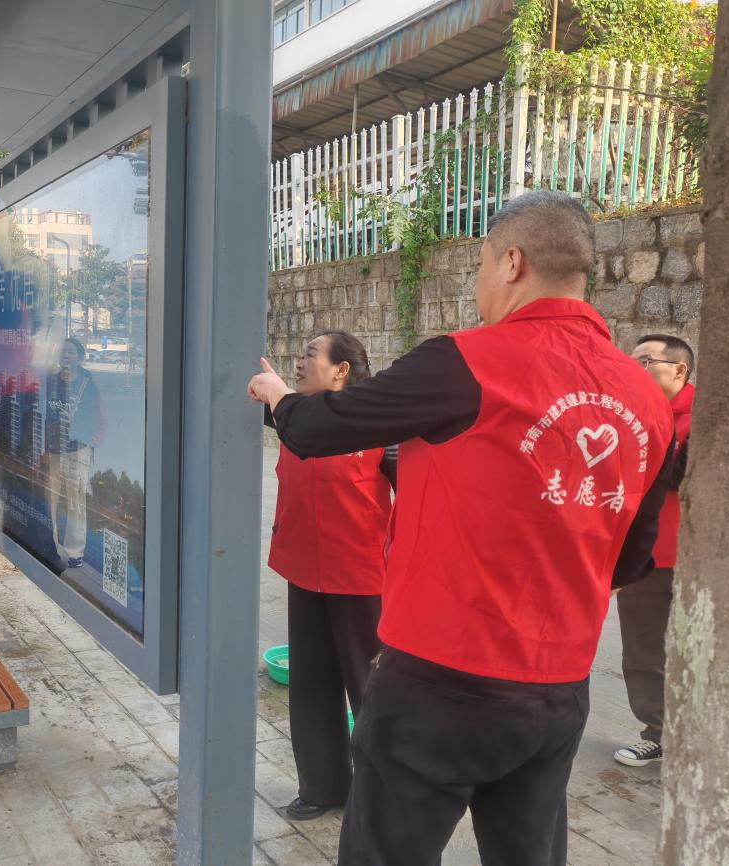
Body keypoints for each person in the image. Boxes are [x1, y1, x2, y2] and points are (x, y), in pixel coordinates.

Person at [248, 190, 675, 866]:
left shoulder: (465, 360)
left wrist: (279, 398)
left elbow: (325, 425)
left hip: (439, 684)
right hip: (557, 691)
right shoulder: (644, 396)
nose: (476, 286)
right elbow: (629, 560)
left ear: (511, 263)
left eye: (478, 265)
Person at [265, 331, 395, 822]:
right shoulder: (291, 416)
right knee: (311, 684)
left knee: (371, 690)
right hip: (304, 571)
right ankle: (323, 787)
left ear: (341, 370)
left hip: (361, 578)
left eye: (310, 354)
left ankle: (382, 799)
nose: (299, 362)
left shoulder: (379, 424)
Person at [614, 334, 695, 768]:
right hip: (646, 555)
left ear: (679, 370)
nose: (635, 369)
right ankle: (657, 733)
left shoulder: (705, 416)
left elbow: (677, 477)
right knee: (643, 650)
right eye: (630, 361)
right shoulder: (631, 415)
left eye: (645, 361)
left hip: (693, 557)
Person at [45, 337, 107, 569]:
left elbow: (99, 414)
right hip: (54, 448)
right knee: (50, 497)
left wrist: (94, 440)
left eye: (71, 352)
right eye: (63, 351)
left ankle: (75, 551)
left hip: (78, 448)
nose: (66, 355)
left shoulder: (87, 383)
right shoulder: (52, 381)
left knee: (76, 499)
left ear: (80, 358)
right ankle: (50, 543)